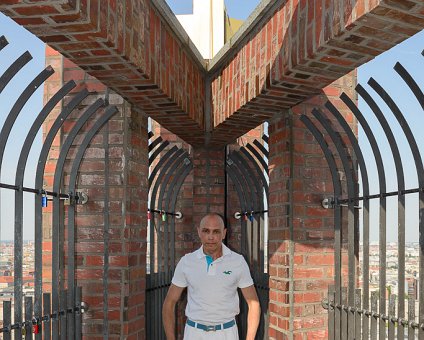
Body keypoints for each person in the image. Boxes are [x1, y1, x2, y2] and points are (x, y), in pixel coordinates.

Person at [162, 213, 260, 340]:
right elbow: (169, 302)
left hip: (227, 333)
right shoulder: (187, 262)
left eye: (216, 232)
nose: (211, 237)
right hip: (194, 333)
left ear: (224, 233)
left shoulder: (238, 262)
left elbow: (254, 304)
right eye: (206, 231)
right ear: (199, 232)